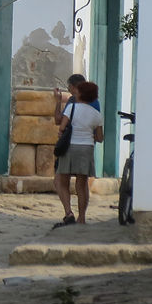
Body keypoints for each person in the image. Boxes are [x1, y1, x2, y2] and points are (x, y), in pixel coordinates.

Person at [53, 80, 104, 226]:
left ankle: (68, 212)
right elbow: (100, 138)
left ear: (80, 94)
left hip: (70, 147)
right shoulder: (96, 115)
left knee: (63, 181)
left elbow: (62, 127)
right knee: (82, 185)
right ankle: (82, 217)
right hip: (86, 148)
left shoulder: (72, 108)